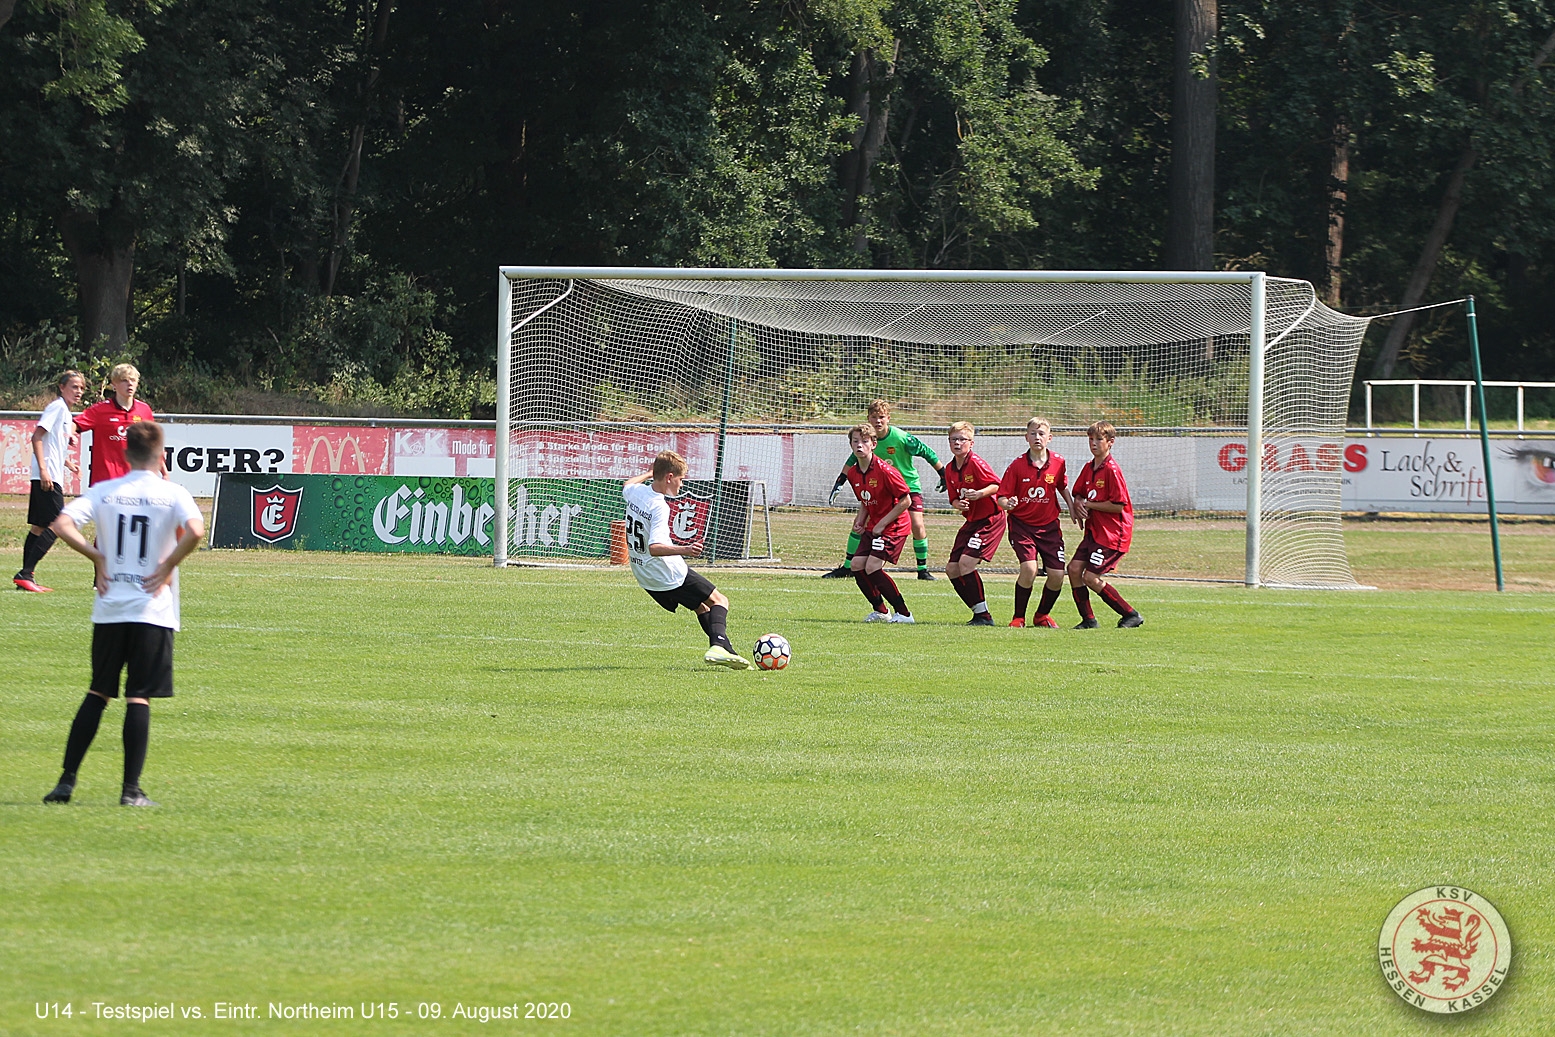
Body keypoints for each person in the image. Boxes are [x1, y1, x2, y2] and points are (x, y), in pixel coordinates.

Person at [43, 422, 205, 807]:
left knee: (98, 692)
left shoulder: (105, 491)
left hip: (111, 607)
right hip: (153, 609)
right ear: (161, 455)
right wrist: (167, 566)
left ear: (124, 454)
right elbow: (196, 531)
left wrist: (96, 556)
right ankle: (131, 792)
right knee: (138, 698)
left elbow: (62, 523)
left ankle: (66, 782)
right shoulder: (172, 493)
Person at [622, 452, 753, 669]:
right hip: (667, 573)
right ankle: (719, 645)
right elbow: (655, 548)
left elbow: (628, 483)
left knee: (701, 607)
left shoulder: (636, 493)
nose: (682, 485)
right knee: (720, 601)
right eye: (681, 479)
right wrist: (687, 549)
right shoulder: (659, 506)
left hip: (644, 576)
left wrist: (651, 473)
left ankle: (728, 652)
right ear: (670, 477)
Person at [824, 399, 944, 581]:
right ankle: (847, 566)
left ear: (888, 418)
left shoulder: (902, 437)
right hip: (881, 490)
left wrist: (942, 473)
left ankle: (922, 569)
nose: (878, 421)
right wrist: (840, 480)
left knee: (917, 525)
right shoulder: (866, 440)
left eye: (881, 417)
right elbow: (851, 460)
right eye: (874, 417)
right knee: (860, 522)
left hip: (908, 487)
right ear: (868, 419)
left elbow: (927, 452)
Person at [14, 369, 87, 593]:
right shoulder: (57, 407)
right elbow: (37, 436)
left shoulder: (65, 412)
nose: (79, 391)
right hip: (47, 477)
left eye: (81, 388)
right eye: (74, 387)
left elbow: (51, 444)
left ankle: (27, 576)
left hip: (50, 474)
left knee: (39, 527)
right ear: (62, 387)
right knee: (59, 525)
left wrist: (67, 463)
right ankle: (25, 573)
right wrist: (45, 471)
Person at [997, 417, 1074, 628]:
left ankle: (1041, 615)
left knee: (1058, 575)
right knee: (1029, 569)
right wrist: (1008, 503)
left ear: (1050, 438)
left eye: (1041, 434)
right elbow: (1001, 497)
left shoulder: (1058, 462)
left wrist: (1072, 506)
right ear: (1026, 437)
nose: (1037, 437)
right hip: (1022, 526)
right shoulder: (1017, 466)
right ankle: (1018, 617)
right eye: (1033, 433)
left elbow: (1062, 486)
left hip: (1049, 527)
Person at [1068, 421, 1144, 629]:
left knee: (1091, 577)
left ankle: (1130, 614)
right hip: (1094, 532)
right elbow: (1078, 492)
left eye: (1099, 439)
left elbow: (1118, 506)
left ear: (1110, 442)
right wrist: (1077, 503)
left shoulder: (1111, 470)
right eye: (1090, 439)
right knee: (1074, 569)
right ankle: (1088, 620)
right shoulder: (1089, 467)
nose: (1093, 443)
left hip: (1112, 534)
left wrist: (1089, 504)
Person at [843, 424, 915, 623]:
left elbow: (906, 500)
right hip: (874, 526)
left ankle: (904, 614)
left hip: (894, 526)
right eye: (855, 441)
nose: (860, 445)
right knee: (857, 565)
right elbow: (865, 500)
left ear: (874, 444)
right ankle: (881, 611)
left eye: (865, 441)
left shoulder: (886, 470)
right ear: (850, 445)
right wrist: (860, 520)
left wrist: (882, 524)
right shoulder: (853, 473)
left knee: (873, 566)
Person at [942, 422, 1006, 625]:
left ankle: (983, 615)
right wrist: (957, 504)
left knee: (966, 563)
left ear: (971, 443)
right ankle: (979, 613)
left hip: (990, 520)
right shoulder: (950, 468)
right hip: (972, 521)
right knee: (952, 568)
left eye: (962, 439)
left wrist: (979, 494)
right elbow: (953, 499)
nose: (958, 443)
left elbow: (997, 485)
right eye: (954, 439)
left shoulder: (976, 463)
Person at [74, 362, 155, 487]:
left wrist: (164, 472)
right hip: (105, 482)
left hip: (135, 480)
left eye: (133, 380)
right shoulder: (99, 410)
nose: (130, 384)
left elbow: (152, 442)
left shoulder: (144, 410)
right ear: (114, 385)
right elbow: (75, 423)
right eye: (124, 380)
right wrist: (70, 433)